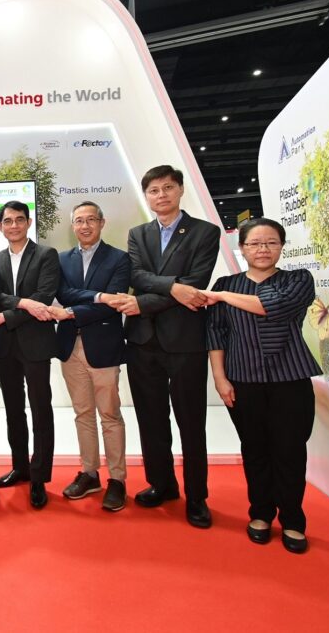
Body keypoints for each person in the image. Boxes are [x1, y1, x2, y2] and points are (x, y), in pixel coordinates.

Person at [105, 165, 220, 528]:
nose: (161, 195)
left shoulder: (205, 232)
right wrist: (173, 287)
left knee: (191, 421)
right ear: (147, 196)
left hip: (185, 341)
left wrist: (143, 302)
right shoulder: (138, 234)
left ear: (180, 190)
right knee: (151, 419)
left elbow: (196, 284)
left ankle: (197, 496)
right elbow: (136, 276)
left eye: (167, 188)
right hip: (142, 341)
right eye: (154, 190)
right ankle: (162, 484)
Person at [205, 217, 320, 553]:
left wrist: (222, 296)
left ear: (282, 246)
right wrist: (219, 378)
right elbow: (216, 333)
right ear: (241, 249)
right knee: (254, 449)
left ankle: (293, 520)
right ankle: (260, 514)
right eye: (254, 243)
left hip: (291, 378)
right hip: (243, 379)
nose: (263, 249)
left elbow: (273, 306)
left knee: (290, 450)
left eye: (271, 242)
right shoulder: (228, 282)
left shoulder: (298, 279)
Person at [49, 201, 131, 512]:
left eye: (91, 220)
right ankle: (89, 473)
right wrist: (98, 296)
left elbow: (115, 302)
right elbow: (64, 293)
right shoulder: (61, 259)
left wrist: (72, 311)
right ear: (73, 226)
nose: (85, 226)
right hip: (71, 346)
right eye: (79, 221)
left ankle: (117, 479)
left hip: (104, 346)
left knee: (110, 415)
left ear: (101, 222)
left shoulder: (119, 258)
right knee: (83, 414)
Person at [0, 200, 59, 509]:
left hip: (36, 342)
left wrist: (6, 315)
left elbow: (44, 295)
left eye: (19, 219)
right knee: (13, 409)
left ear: (28, 223)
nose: (13, 225)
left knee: (41, 408)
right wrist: (23, 303)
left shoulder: (46, 255)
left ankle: (39, 476)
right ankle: (20, 467)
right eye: (7, 221)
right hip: (3, 345)